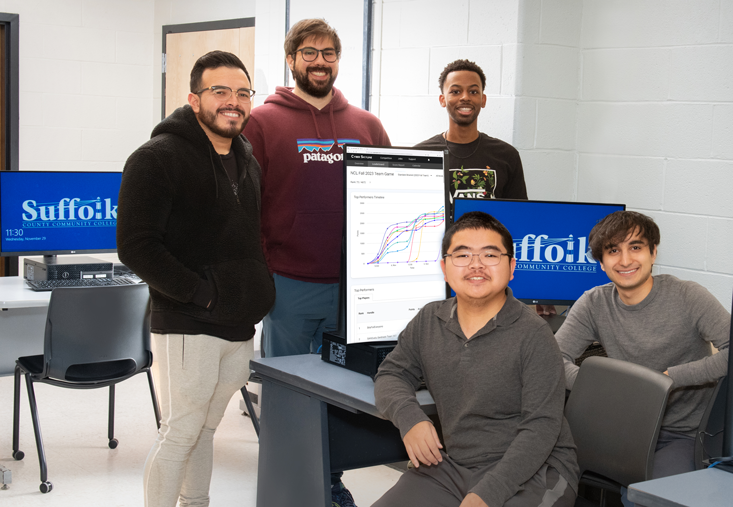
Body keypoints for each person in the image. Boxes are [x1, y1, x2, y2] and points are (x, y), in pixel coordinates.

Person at [117, 50, 275, 507]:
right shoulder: (156, 158)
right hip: (188, 320)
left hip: (237, 322)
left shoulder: (246, 158)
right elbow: (136, 246)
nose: (234, 101)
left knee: (206, 429)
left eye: (243, 93)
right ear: (194, 98)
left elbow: (247, 238)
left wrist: (254, 290)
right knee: (181, 431)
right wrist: (201, 295)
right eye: (220, 91)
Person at [242, 18, 389, 506]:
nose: (320, 61)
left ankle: (330, 480)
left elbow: (387, 200)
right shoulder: (262, 122)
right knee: (286, 387)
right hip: (288, 282)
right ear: (291, 58)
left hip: (353, 287)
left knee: (344, 391)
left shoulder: (365, 125)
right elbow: (246, 203)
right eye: (309, 52)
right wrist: (261, 269)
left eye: (328, 53)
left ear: (337, 60)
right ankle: (287, 483)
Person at [373, 212, 579, 507]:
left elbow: (541, 428)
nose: (476, 265)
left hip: (536, 469)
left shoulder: (534, 334)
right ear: (445, 268)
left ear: (511, 268)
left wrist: (487, 493)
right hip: (454, 466)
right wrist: (410, 419)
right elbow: (391, 374)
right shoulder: (430, 319)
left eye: (490, 255)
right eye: (462, 255)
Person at [555, 210, 730, 479]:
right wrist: (604, 386)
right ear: (601, 262)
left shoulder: (688, 296)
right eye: (613, 250)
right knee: (550, 474)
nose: (625, 260)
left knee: (644, 497)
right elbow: (552, 359)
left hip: (681, 433)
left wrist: (671, 377)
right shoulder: (594, 302)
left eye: (635, 247)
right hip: (623, 427)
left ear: (653, 253)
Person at [415, 59, 527, 201]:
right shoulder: (421, 155)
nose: (465, 97)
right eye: (455, 91)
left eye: (473, 91)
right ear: (442, 100)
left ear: (483, 100)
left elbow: (517, 215)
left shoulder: (507, 156)